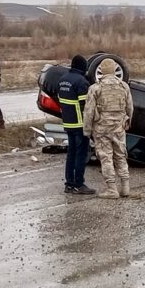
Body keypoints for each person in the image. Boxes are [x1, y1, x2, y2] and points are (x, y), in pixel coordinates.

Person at [83, 58, 138, 199]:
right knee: (120, 155)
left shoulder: (95, 88)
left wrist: (87, 130)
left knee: (106, 157)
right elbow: (130, 108)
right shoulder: (124, 86)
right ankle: (125, 187)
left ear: (101, 71)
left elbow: (89, 111)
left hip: (101, 129)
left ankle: (111, 189)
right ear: (114, 70)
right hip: (119, 128)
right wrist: (127, 122)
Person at [58, 55, 95, 195]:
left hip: (68, 123)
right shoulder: (82, 82)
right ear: (83, 67)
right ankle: (79, 184)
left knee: (71, 154)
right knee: (81, 154)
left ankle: (69, 184)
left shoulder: (62, 80)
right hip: (80, 125)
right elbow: (86, 106)